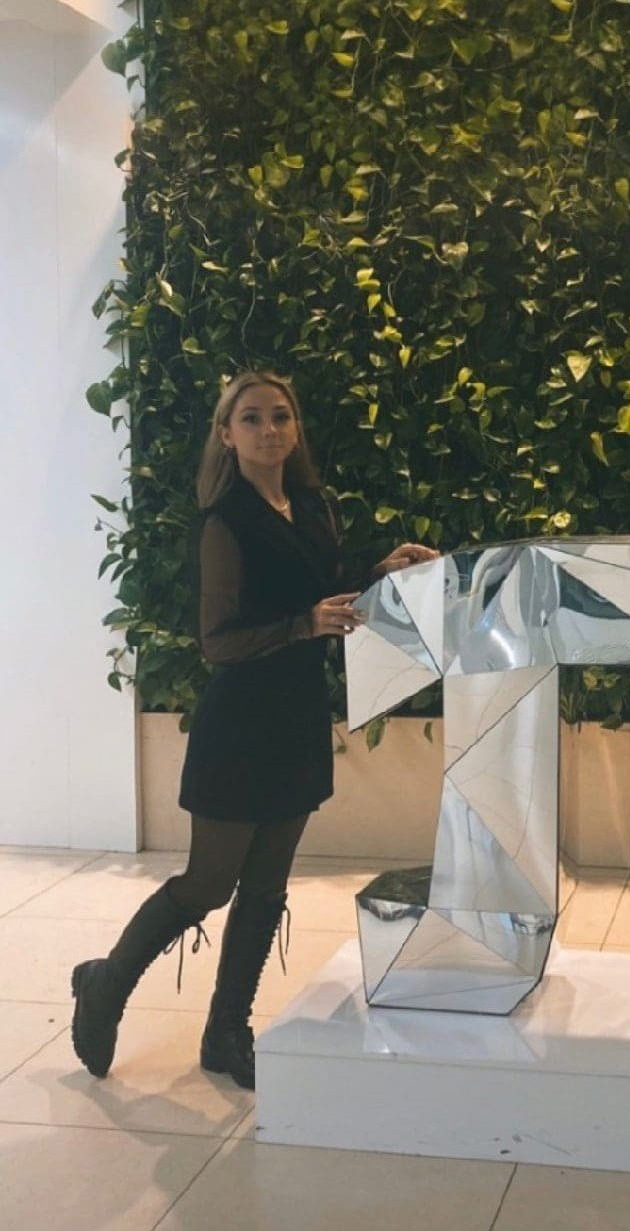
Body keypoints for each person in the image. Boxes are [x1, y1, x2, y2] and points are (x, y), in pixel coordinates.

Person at [70, 370, 438, 1089]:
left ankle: (227, 1032)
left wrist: (381, 572)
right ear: (226, 434)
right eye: (252, 418)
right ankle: (106, 981)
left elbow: (324, 598)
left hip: (298, 716)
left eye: (280, 417)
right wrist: (304, 625)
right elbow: (218, 641)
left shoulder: (312, 505)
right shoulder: (225, 521)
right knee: (208, 883)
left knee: (267, 887)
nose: (269, 429)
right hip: (239, 725)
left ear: (295, 430)